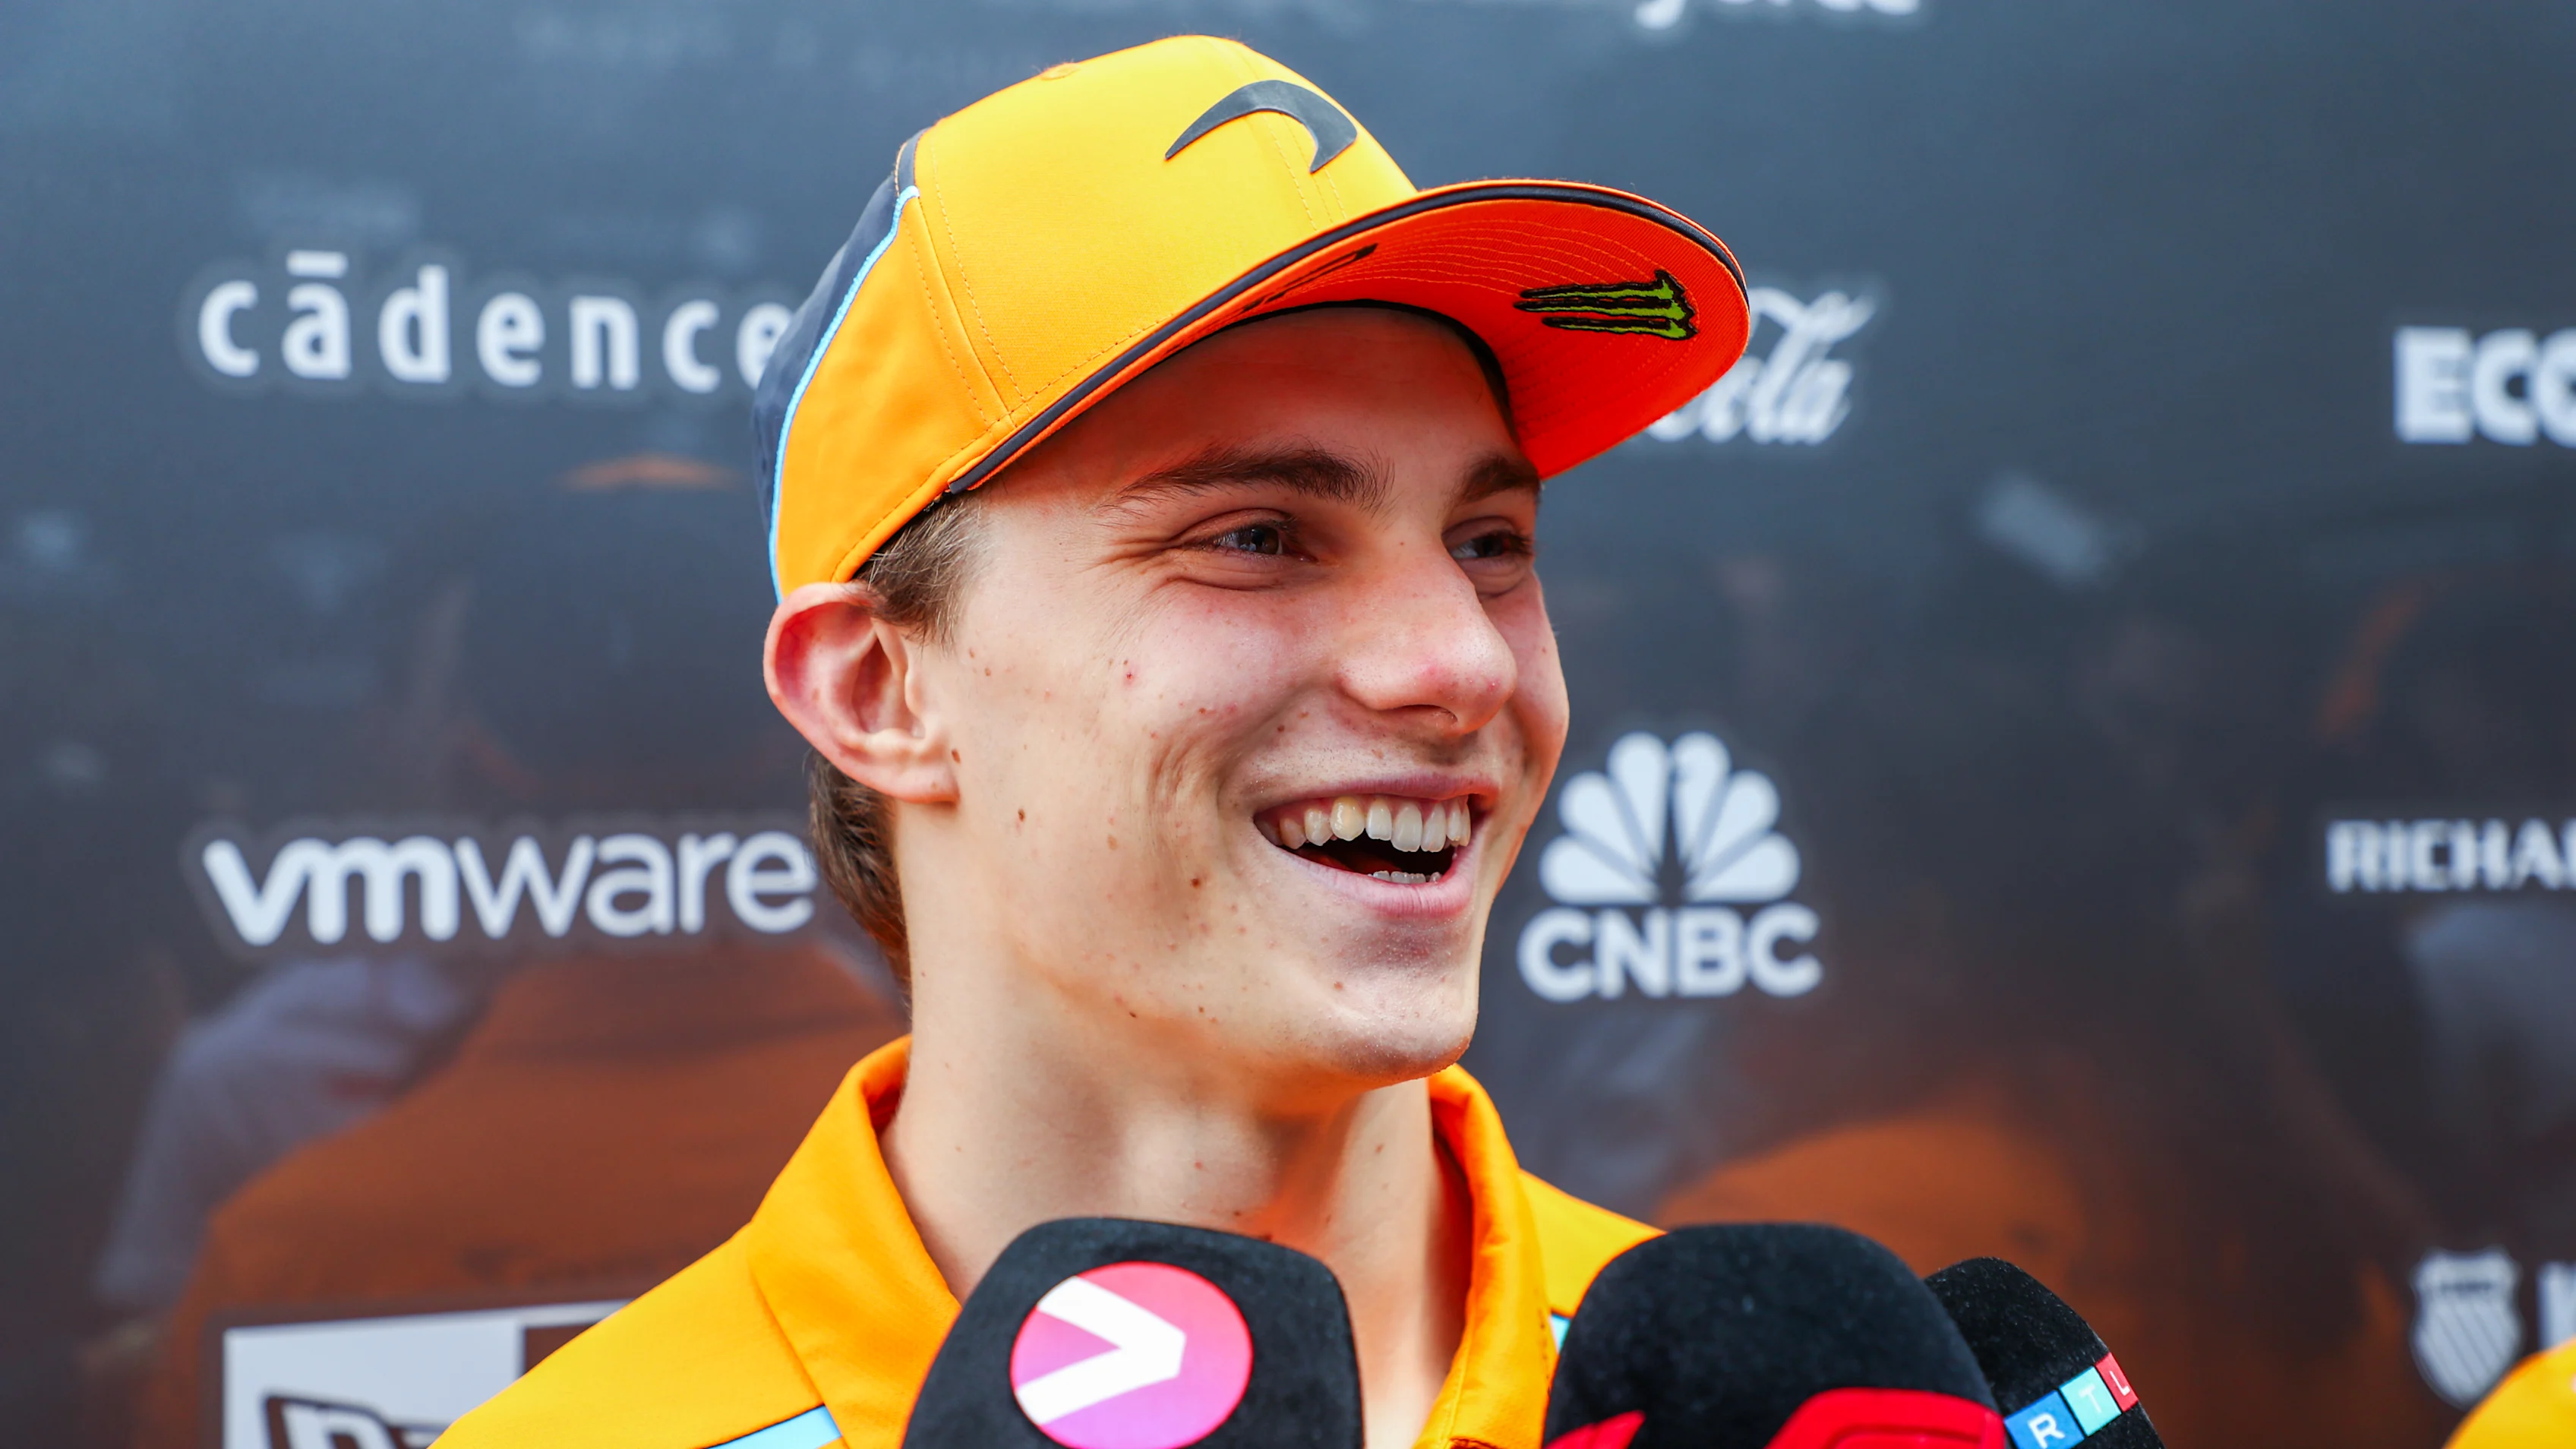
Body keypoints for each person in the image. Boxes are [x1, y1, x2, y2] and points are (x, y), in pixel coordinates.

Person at [445, 33, 1747, 1449]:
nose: (1464, 661)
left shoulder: (1745, 1407)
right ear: (879, 690)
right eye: (1257, 538)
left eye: (1489, 542)